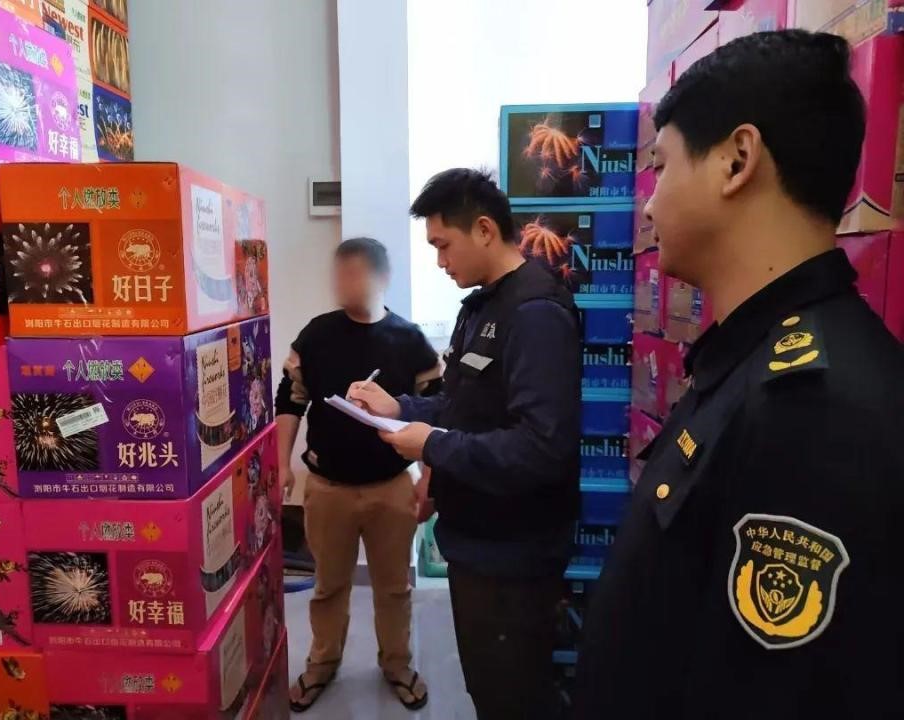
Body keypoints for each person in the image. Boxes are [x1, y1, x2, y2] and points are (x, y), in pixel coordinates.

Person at [575, 30, 904, 718]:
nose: (648, 204)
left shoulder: (815, 408)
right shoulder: (750, 360)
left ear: (737, 160)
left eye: (662, 166)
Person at [349, 169, 581, 720]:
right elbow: (464, 407)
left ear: (483, 230)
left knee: (513, 697)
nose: (440, 262)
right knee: (489, 685)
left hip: (513, 553)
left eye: (443, 245)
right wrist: (400, 409)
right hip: (474, 540)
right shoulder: (479, 308)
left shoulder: (536, 313)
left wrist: (433, 447)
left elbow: (540, 449)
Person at [276, 237, 442, 712]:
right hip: (328, 488)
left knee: (394, 587)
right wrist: (281, 462)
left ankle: (398, 665)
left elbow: (436, 412)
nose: (345, 282)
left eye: (356, 272)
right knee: (329, 586)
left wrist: (429, 480)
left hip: (392, 487)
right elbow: (290, 398)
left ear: (381, 277)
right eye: (340, 272)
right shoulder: (317, 334)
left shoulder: (409, 340)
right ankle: (322, 664)